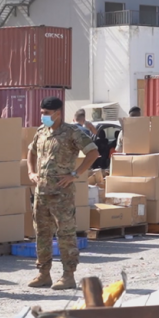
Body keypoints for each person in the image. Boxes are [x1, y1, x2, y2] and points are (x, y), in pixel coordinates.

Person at [27, 97, 99, 290]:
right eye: (42, 113)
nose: (43, 116)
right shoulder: (41, 132)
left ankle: (68, 276)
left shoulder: (72, 132)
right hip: (41, 193)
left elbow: (93, 153)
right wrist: (31, 172)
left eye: (46, 113)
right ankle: (43, 274)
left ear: (58, 113)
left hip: (62, 194)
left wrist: (75, 174)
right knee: (42, 234)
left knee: (65, 234)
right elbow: (31, 152)